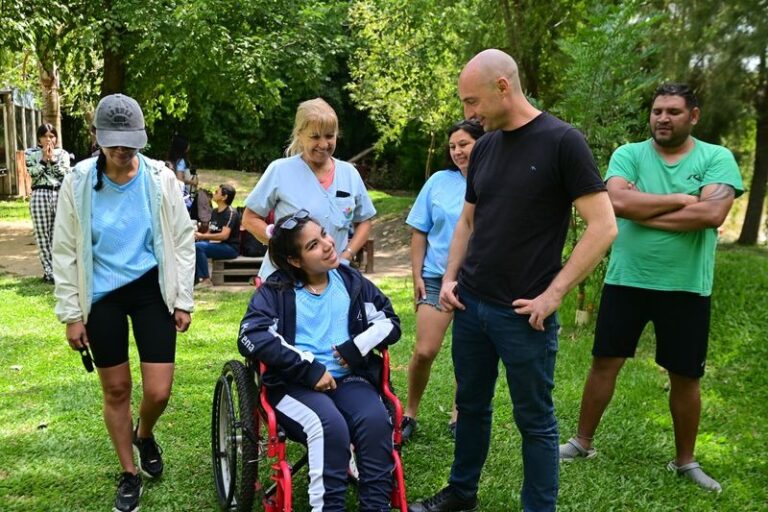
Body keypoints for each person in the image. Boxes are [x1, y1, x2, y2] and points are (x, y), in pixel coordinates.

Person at [408, 49, 617, 512]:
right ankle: (462, 492)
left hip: (526, 316)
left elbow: (604, 226)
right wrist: (448, 279)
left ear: (503, 87)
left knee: (535, 422)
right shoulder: (484, 147)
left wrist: (553, 294)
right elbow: (467, 221)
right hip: (471, 306)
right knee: (472, 407)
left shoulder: (563, 142)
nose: (468, 114)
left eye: (472, 101)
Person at [558, 83, 743, 493]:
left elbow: (713, 213)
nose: (663, 118)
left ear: (693, 116)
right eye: (657, 110)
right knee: (604, 362)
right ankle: (581, 442)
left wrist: (647, 209)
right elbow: (617, 203)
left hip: (686, 287)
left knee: (685, 375)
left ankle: (685, 461)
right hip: (627, 280)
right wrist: (682, 199)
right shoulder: (629, 154)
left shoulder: (716, 157)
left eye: (674, 111)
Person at [52, 94, 195, 512]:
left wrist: (183, 299)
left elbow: (183, 241)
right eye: (113, 142)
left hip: (151, 288)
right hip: (101, 295)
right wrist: (72, 315)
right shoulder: (78, 181)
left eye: (129, 143)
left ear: (141, 139)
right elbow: (64, 250)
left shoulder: (159, 178)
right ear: (97, 137)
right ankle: (129, 472)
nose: (121, 151)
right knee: (116, 388)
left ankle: (145, 433)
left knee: (159, 390)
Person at [238, 210, 400, 512]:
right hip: (294, 386)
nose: (327, 244)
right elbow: (251, 335)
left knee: (376, 420)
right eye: (313, 245)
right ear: (295, 261)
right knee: (330, 427)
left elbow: (390, 322)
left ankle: (376, 506)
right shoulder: (277, 291)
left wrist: (357, 346)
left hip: (348, 380)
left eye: (324, 234)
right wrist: (309, 369)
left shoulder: (351, 281)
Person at [401, 119, 484, 443]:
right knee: (425, 350)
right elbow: (419, 231)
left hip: (477, 280)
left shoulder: (494, 179)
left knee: (469, 354)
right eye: (452, 146)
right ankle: (409, 412)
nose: (457, 151)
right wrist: (417, 276)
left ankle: (459, 413)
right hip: (436, 277)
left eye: (464, 144)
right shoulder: (438, 181)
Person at [241, 98, 376, 280]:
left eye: (329, 136)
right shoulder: (280, 170)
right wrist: (277, 240)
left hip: (334, 278)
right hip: (286, 278)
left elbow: (365, 220)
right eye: (315, 137)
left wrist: (347, 255)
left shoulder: (349, 174)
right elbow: (250, 218)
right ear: (300, 135)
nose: (323, 144)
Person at [25, 123, 71, 283]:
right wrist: (44, 159)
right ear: (39, 138)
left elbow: (65, 175)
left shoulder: (63, 154)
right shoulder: (30, 153)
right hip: (40, 193)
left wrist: (53, 159)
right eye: (45, 136)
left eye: (51, 136)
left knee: (59, 234)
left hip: (59, 193)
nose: (48, 139)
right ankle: (49, 271)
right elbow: (33, 174)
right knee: (42, 234)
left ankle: (60, 270)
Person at [194, 183, 241, 288]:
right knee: (196, 244)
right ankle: (196, 278)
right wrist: (198, 236)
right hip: (217, 245)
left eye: (216, 192)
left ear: (224, 197)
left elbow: (224, 236)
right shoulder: (214, 212)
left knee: (199, 247)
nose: (213, 193)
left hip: (230, 248)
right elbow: (210, 232)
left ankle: (206, 280)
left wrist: (202, 237)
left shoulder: (231, 213)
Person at [168, 135, 197, 201]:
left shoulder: (169, 160)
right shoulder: (181, 161)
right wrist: (192, 182)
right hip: (181, 194)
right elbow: (179, 179)